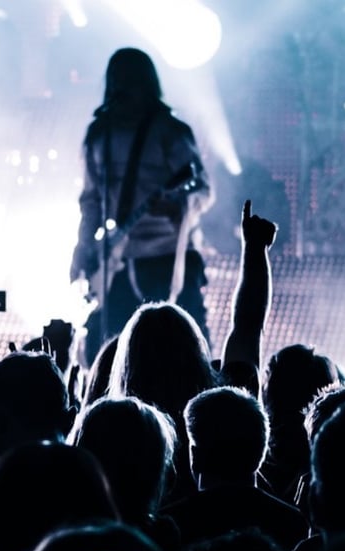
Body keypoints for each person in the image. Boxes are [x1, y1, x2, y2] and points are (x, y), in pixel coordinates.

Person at [70, 47, 215, 368]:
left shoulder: (170, 131)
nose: (123, 88)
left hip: (167, 254)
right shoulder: (99, 134)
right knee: (111, 350)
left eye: (130, 81)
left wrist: (177, 207)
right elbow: (91, 200)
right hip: (118, 260)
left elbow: (203, 190)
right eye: (118, 81)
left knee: (186, 347)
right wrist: (83, 248)